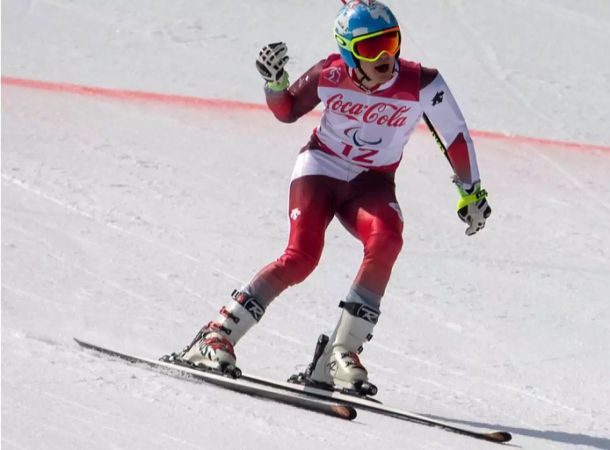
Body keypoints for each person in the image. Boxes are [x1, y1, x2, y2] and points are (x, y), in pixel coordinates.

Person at [176, 0, 491, 395]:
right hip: (320, 170)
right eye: (370, 48)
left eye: (391, 42)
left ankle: (341, 352)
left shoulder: (423, 84)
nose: (385, 57)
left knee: (388, 237)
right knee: (301, 258)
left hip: (371, 183)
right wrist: (274, 84)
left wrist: (471, 190)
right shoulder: (330, 73)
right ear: (348, 52)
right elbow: (288, 110)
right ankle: (217, 335)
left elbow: (456, 136)